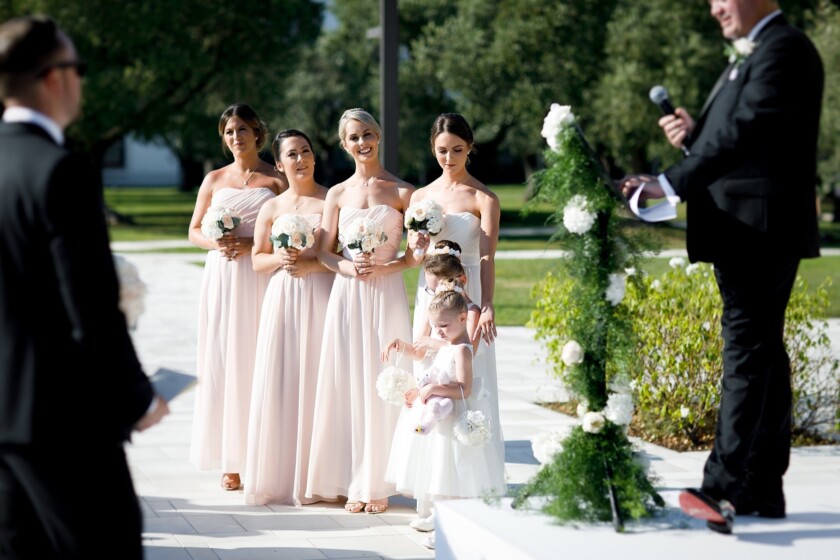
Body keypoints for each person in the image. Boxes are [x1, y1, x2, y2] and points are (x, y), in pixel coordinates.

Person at [619, 0, 823, 534]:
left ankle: (721, 488)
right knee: (765, 356)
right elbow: (734, 136)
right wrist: (695, 134)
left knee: (747, 351)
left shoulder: (783, 49)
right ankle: (760, 487)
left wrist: (669, 182)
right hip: (742, 228)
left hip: (758, 229)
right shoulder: (752, 54)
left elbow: (748, 132)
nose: (714, 9)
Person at [0, 16, 168, 558]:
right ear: (55, 78)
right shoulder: (59, 171)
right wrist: (138, 397)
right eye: (79, 68)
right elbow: (90, 311)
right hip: (60, 421)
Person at [305, 108, 415, 514]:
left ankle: (380, 483)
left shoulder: (405, 193)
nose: (361, 142)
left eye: (367, 133)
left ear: (379, 135)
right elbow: (323, 252)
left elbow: (415, 256)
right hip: (348, 293)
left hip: (386, 292)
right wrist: (348, 266)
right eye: (353, 137)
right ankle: (352, 478)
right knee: (348, 380)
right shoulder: (336, 194)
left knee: (387, 378)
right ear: (344, 143)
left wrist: (386, 266)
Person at [188, 103, 286, 492]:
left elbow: (291, 227)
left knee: (258, 357)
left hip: (259, 275)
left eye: (242, 129)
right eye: (229, 131)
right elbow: (193, 230)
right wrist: (215, 241)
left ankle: (263, 449)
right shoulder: (213, 179)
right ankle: (231, 457)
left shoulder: (275, 179)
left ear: (257, 133)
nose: (236, 137)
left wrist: (249, 242)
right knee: (225, 360)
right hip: (223, 277)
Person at [406, 112, 506, 479]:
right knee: (429, 370)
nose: (449, 158)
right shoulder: (421, 197)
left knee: (468, 375)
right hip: (431, 294)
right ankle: (430, 481)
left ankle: (469, 477)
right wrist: (416, 246)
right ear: (433, 149)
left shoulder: (485, 198)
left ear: (470, 148)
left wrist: (489, 303)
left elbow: (486, 256)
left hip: (469, 290)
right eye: (442, 150)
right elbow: (415, 257)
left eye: (457, 150)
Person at [244, 129, 333, 506]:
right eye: (292, 155)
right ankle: (278, 474)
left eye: (306, 152)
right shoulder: (272, 207)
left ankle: (321, 475)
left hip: (321, 295)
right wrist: (281, 260)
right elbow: (256, 260)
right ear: (279, 164)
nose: (301, 160)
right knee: (283, 378)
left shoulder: (332, 200)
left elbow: (336, 257)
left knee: (320, 377)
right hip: (282, 298)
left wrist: (310, 263)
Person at [382, 288, 507, 550]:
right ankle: (440, 518)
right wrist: (420, 392)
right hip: (441, 420)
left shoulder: (462, 350)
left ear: (463, 318)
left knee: (454, 473)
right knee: (438, 472)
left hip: (456, 419)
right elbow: (438, 375)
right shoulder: (448, 345)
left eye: (443, 325)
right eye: (434, 325)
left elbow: (464, 388)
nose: (437, 331)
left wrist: (433, 390)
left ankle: (451, 528)